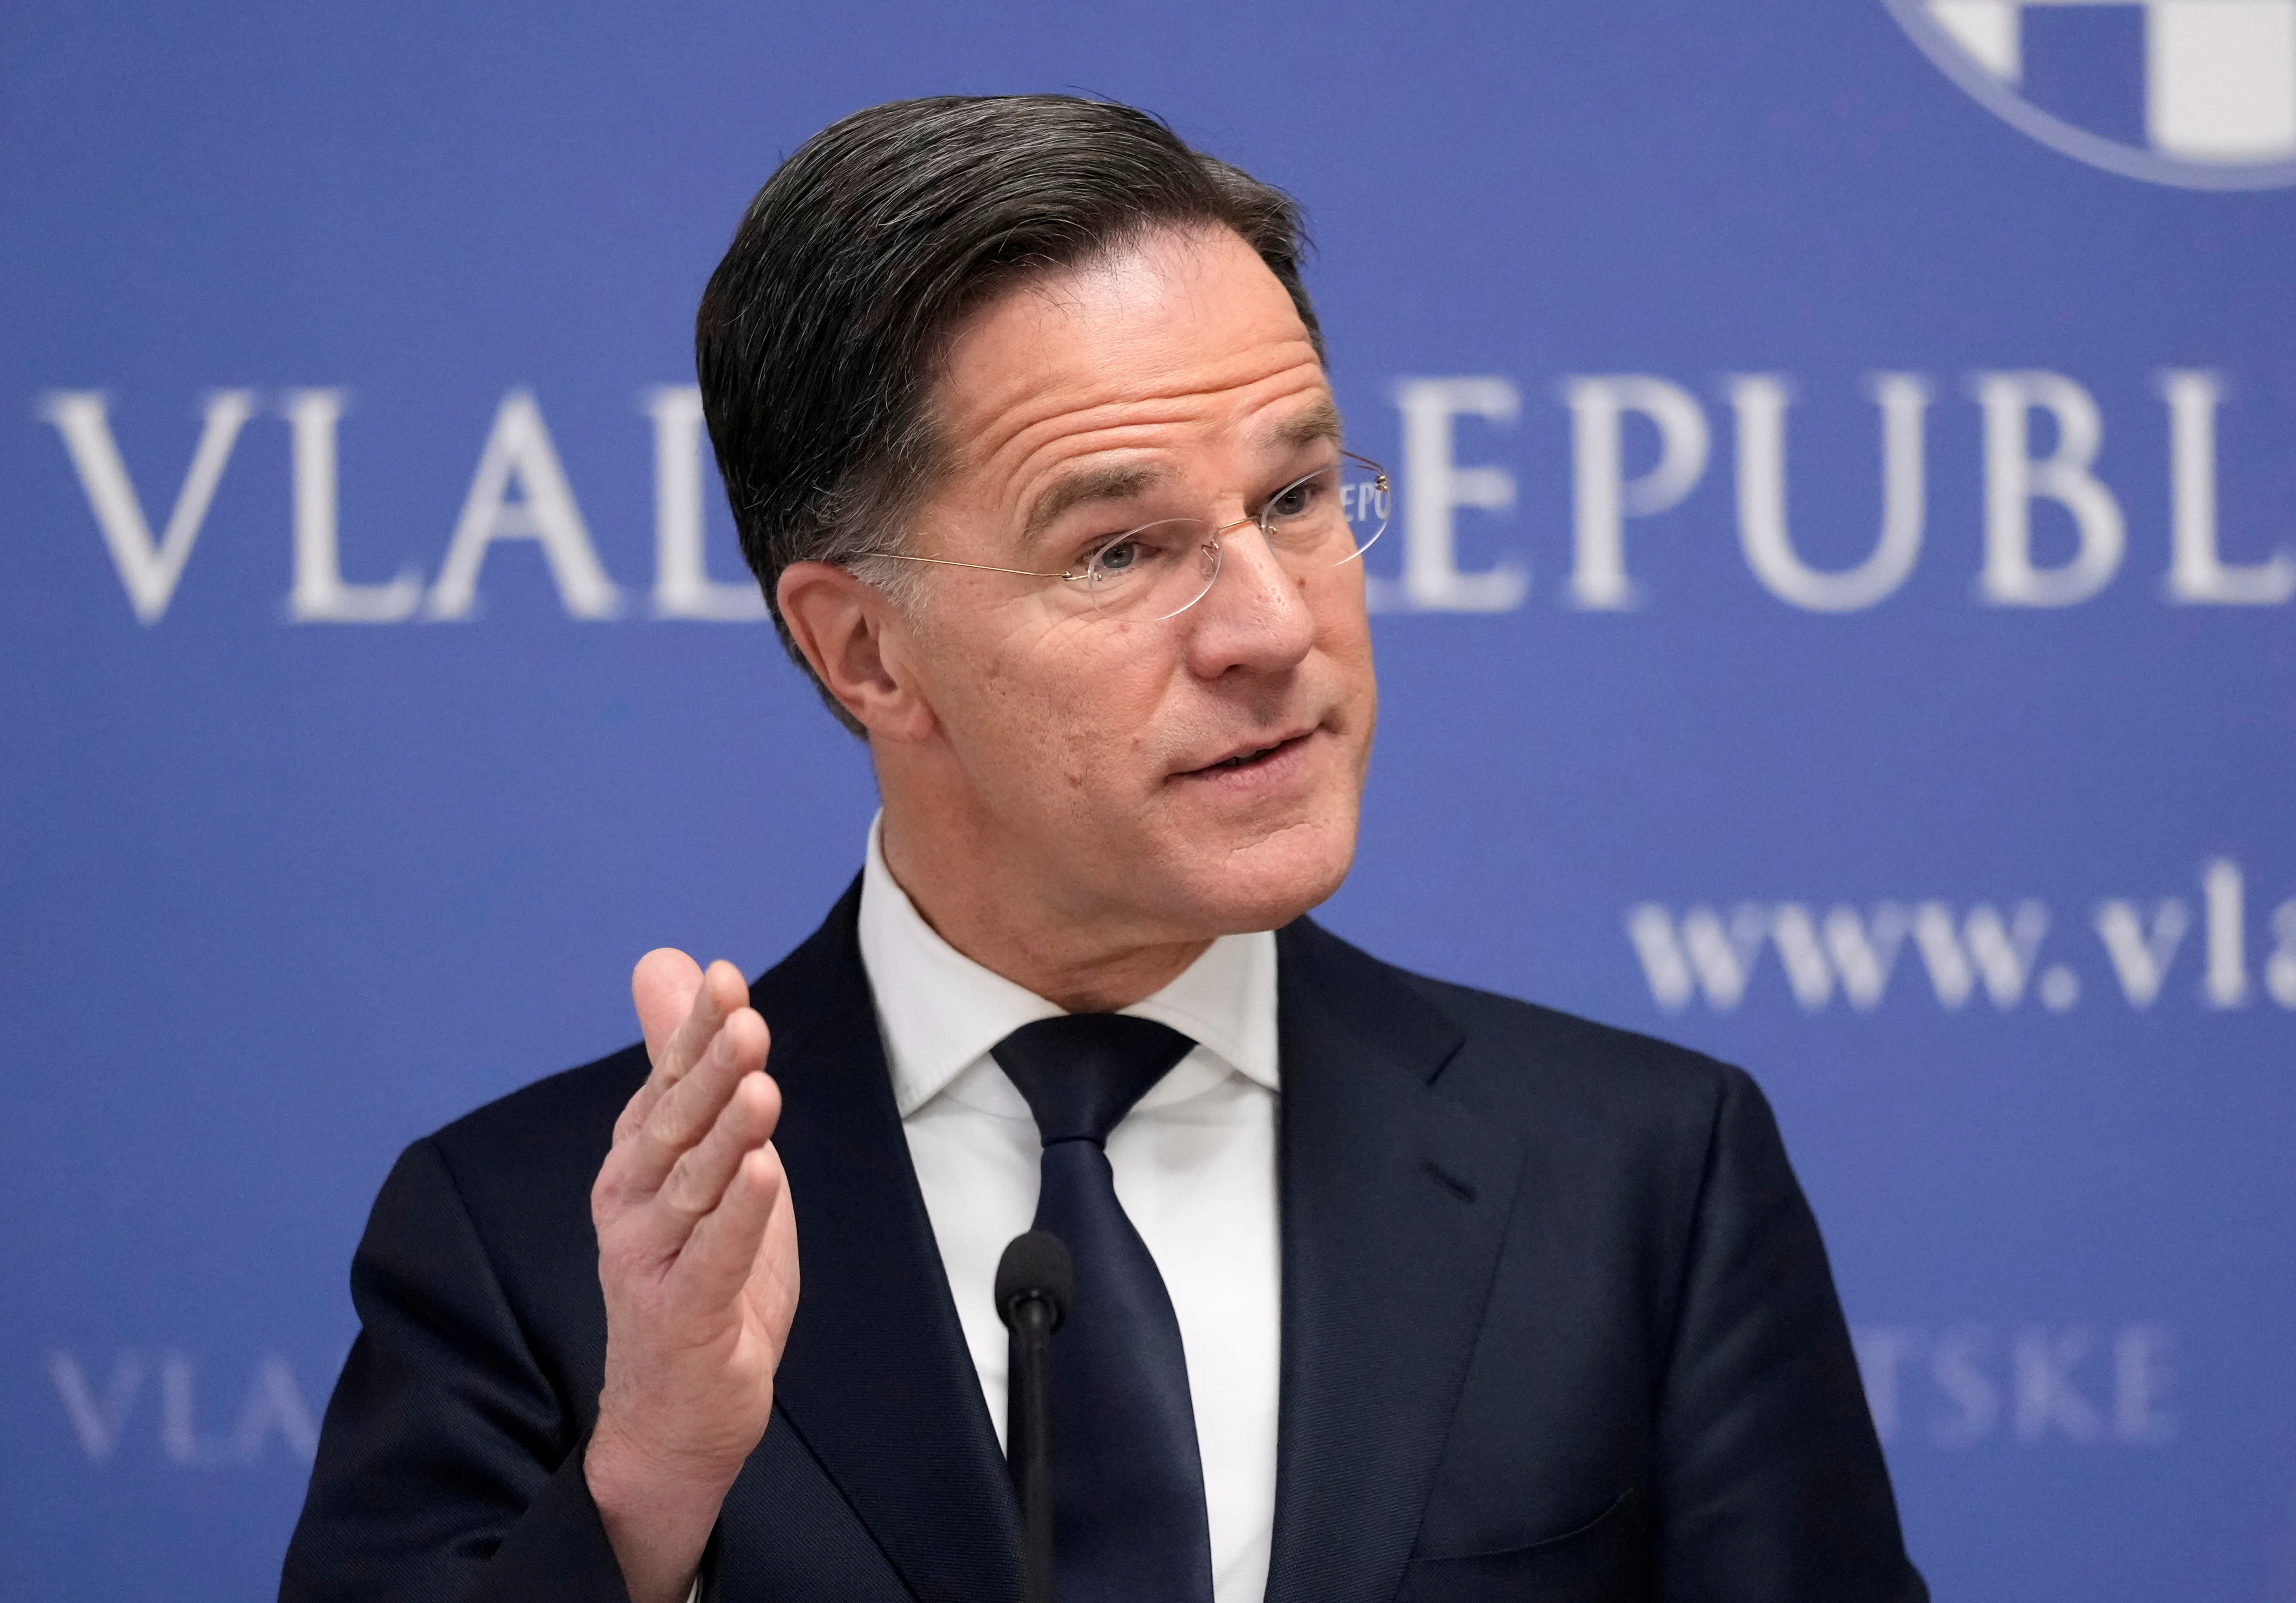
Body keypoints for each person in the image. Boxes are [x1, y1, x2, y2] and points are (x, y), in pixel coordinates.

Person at [280, 96, 1925, 1603]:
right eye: (1120, 550)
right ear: (864, 653)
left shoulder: (1642, 1180)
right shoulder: (530, 1241)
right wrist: (647, 1487)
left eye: (1295, 498)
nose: (1270, 628)